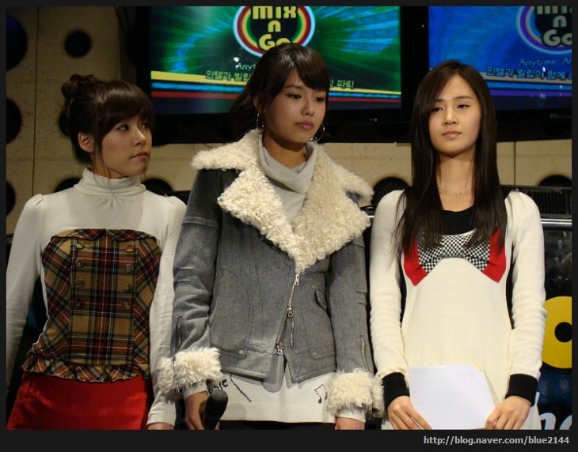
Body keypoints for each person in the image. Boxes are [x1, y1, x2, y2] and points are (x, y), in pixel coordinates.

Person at [157, 43, 383, 430]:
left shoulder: (342, 192)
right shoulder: (219, 175)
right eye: (295, 96)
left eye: (319, 98)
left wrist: (353, 405)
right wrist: (194, 378)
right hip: (230, 384)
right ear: (262, 101)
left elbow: (350, 300)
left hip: (317, 391)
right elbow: (192, 279)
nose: (309, 109)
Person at [369, 60, 547, 430]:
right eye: (437, 108)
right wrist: (394, 389)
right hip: (415, 410)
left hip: (500, 409)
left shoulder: (517, 210)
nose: (449, 117)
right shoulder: (396, 209)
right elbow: (384, 307)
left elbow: (530, 308)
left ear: (484, 114)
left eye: (462, 105)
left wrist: (521, 391)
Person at [5, 74, 186, 430]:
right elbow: (11, 314)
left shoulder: (168, 212)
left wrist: (164, 408)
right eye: (123, 127)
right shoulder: (42, 210)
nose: (141, 138)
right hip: (45, 396)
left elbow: (166, 316)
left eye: (144, 125)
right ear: (86, 140)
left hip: (129, 396)